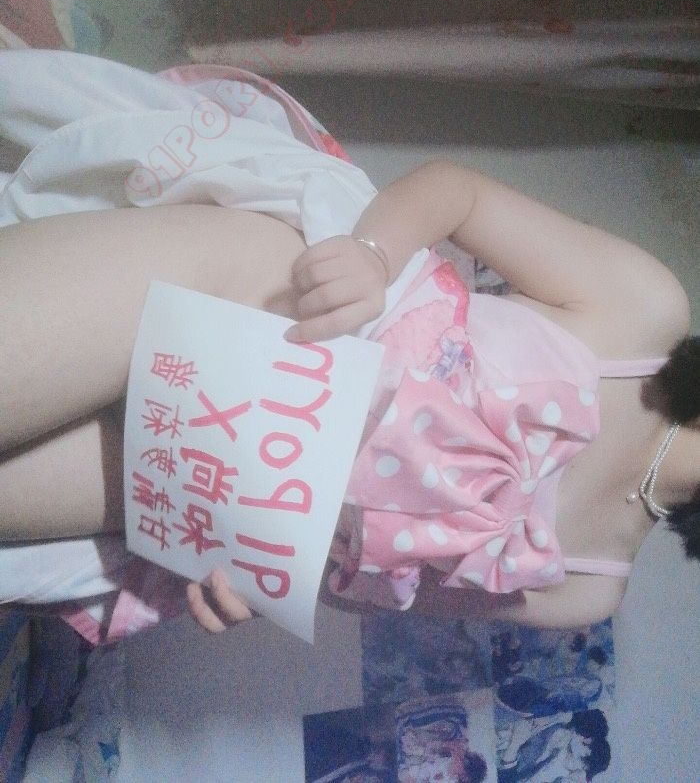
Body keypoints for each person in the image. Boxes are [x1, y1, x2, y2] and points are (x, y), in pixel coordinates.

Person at [0, 73, 698, 638]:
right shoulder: (647, 311)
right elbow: (458, 193)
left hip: (203, 484)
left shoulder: (588, 591)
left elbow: (352, 583)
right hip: (263, 303)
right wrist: (373, 256)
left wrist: (251, 583)